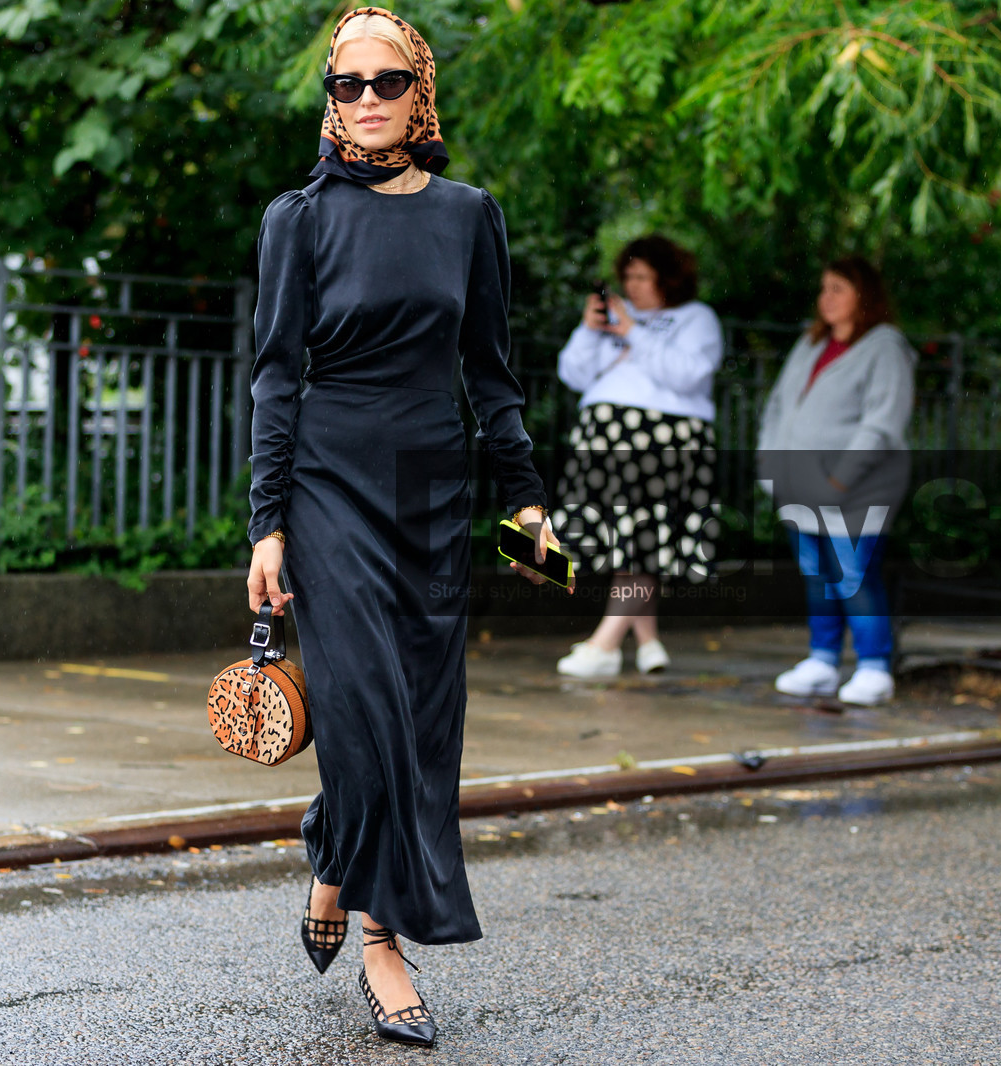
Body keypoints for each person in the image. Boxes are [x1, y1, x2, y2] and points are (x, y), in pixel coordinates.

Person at [244, 7, 568, 1049]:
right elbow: (273, 381)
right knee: (364, 708)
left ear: (418, 90)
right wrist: (267, 526)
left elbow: (491, 375)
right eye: (349, 86)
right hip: (329, 492)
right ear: (329, 98)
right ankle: (384, 944)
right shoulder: (297, 218)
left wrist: (526, 504)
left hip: (432, 496)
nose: (369, 101)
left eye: (388, 83)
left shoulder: (470, 214)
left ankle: (336, 863)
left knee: (422, 723)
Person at [550, 235, 723, 678]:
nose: (633, 285)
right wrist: (592, 330)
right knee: (624, 543)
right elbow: (572, 372)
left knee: (645, 542)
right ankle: (648, 642)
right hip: (606, 436)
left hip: (663, 438)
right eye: (627, 276)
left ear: (668, 277)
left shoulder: (695, 318)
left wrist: (633, 332)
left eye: (643, 276)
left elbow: (689, 375)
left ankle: (604, 645)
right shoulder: (613, 319)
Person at [756, 256, 915, 706]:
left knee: (852, 575)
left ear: (864, 295)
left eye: (838, 288)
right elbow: (777, 408)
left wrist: (840, 480)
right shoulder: (811, 342)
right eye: (824, 288)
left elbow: (883, 423)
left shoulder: (885, 346)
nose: (826, 298)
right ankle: (823, 660)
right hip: (799, 489)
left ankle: (873, 666)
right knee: (816, 574)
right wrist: (770, 469)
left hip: (858, 492)